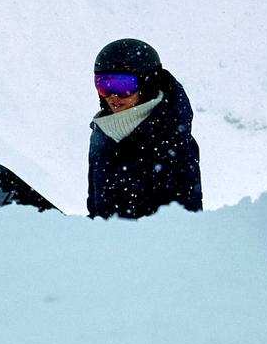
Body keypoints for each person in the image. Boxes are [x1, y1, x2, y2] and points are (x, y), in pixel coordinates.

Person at [86, 37, 203, 219]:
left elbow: (185, 221)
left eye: (123, 85)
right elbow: (96, 211)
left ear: (147, 83)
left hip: (153, 245)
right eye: (104, 85)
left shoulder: (172, 140)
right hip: (108, 244)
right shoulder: (102, 134)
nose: (113, 96)